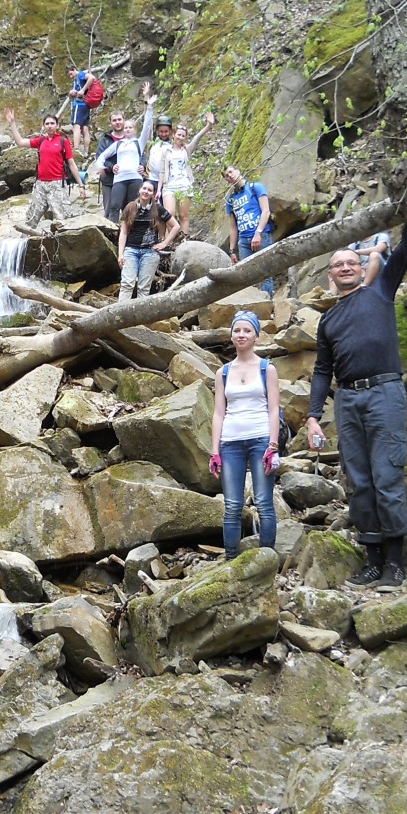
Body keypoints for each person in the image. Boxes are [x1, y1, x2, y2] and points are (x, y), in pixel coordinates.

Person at [306, 159, 407, 592]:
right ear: (330, 275)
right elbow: (322, 371)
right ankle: (373, 560)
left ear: (362, 268)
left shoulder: (380, 291)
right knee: (359, 480)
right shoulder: (328, 321)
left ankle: (395, 563)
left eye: (350, 262)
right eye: (337, 264)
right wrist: (312, 416)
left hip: (384, 394)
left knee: (387, 475)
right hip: (348, 400)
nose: (344, 268)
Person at [209, 310, 280, 559]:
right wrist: (214, 451)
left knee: (263, 503)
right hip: (230, 442)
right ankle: (231, 560)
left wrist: (273, 445)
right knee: (231, 505)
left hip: (261, 438)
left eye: (247, 330)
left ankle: (267, 560)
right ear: (231, 336)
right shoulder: (223, 373)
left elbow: (274, 409)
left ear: (256, 336)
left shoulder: (267, 369)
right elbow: (219, 413)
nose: (241, 335)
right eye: (237, 330)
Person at [3, 109, 84, 231]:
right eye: (47, 124)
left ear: (57, 126)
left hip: (57, 184)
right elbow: (20, 142)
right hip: (40, 184)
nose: (50, 126)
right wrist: (12, 123)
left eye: (52, 123)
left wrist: (81, 185)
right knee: (31, 218)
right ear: (44, 126)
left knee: (63, 218)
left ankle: (65, 240)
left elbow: (71, 163)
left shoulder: (63, 141)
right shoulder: (41, 140)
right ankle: (26, 239)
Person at [90, 96, 155, 223]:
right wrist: (101, 166)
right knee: (114, 206)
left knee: (133, 207)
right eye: (126, 128)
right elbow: (102, 155)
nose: (128, 129)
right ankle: (112, 229)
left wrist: (149, 107)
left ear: (134, 130)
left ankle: (131, 230)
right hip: (119, 179)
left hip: (135, 178)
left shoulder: (139, 142)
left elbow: (147, 127)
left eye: (130, 127)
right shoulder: (118, 144)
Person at [117, 181, 179, 301]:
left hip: (150, 253)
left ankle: (140, 313)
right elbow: (123, 232)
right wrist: (120, 254)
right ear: (139, 190)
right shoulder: (130, 207)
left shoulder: (158, 209)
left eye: (149, 190)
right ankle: (121, 311)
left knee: (144, 288)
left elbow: (176, 226)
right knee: (127, 284)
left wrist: (164, 243)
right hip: (131, 250)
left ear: (153, 194)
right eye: (144, 188)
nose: (146, 191)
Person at [158, 111, 215, 235]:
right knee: (169, 214)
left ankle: (184, 239)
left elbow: (197, 138)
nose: (180, 137)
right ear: (173, 135)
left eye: (183, 136)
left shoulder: (186, 150)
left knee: (183, 215)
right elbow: (162, 171)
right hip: (169, 186)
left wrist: (208, 125)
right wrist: (158, 190)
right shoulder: (165, 151)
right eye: (178, 135)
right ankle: (172, 238)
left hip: (184, 185)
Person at [224, 166, 274, 297]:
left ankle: (267, 302)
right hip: (243, 241)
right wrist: (232, 250)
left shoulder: (255, 187)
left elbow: (266, 211)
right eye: (226, 176)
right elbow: (233, 226)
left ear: (238, 171)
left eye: (231, 172)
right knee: (246, 277)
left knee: (266, 273)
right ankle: (252, 304)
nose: (230, 176)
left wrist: (258, 233)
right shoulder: (230, 200)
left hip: (261, 236)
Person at [93, 108, 126, 219]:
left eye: (119, 119)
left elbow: (140, 155)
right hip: (109, 179)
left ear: (124, 120)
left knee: (128, 210)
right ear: (110, 123)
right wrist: (111, 167)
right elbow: (99, 158)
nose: (117, 122)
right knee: (109, 210)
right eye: (114, 120)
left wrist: (141, 165)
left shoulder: (130, 138)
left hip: (127, 178)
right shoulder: (105, 139)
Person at [67, 66, 98, 155]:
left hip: (79, 105)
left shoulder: (80, 75)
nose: (71, 76)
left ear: (74, 70)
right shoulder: (76, 79)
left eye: (71, 74)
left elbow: (91, 77)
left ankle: (76, 149)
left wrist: (82, 90)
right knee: (85, 128)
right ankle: (86, 152)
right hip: (86, 104)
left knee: (76, 126)